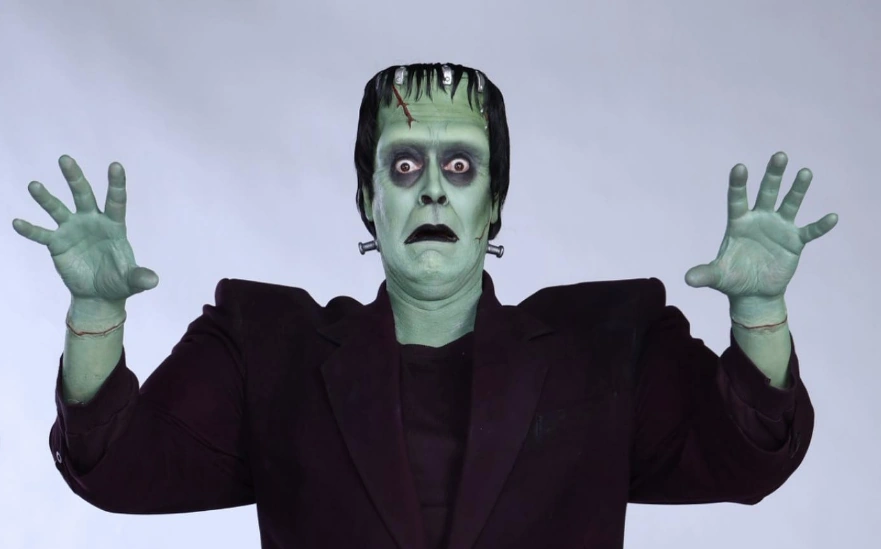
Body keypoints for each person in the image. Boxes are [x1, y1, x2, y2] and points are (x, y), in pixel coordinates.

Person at [12, 63, 838, 549]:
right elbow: (118, 468)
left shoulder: (608, 345)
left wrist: (759, 312)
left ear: (494, 202)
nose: (434, 187)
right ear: (367, 199)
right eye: (404, 166)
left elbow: (746, 457)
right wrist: (95, 314)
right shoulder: (265, 347)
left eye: (461, 166)